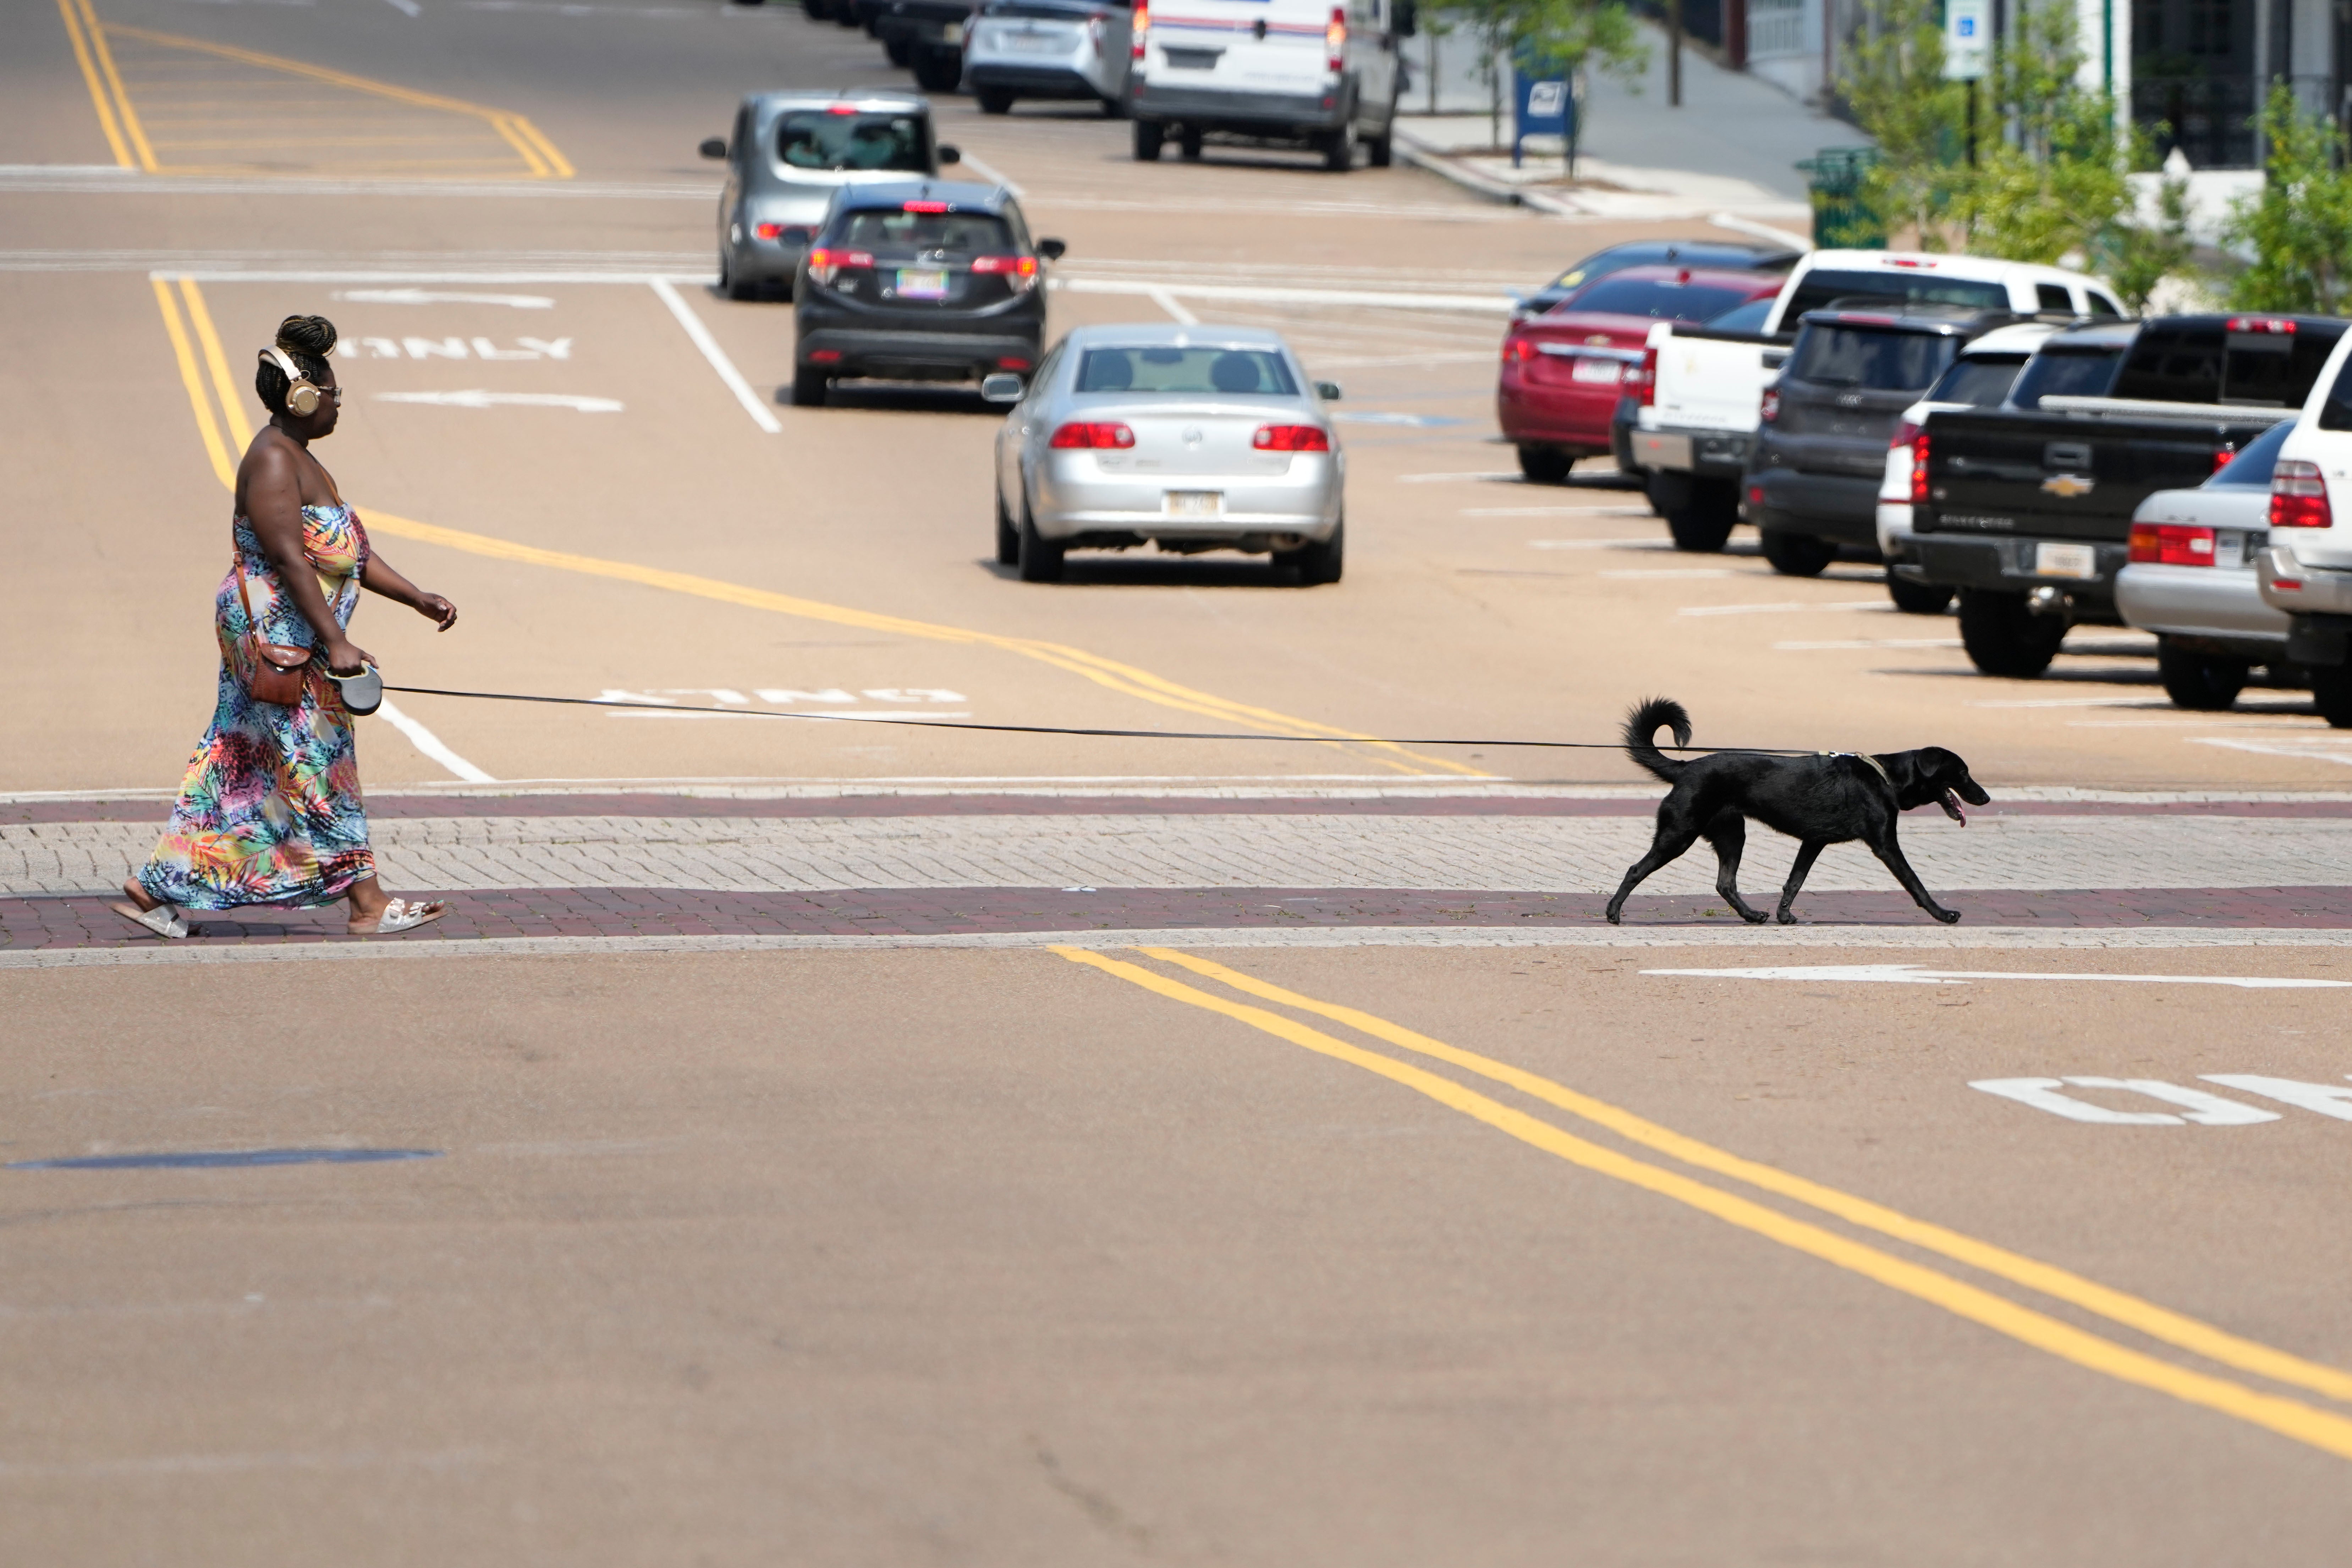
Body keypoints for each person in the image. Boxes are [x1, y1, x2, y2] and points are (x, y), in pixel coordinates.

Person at [111, 315, 461, 939]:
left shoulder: (300, 457)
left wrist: (416, 598)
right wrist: (335, 642)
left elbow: (344, 552)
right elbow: (290, 560)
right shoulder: (274, 461)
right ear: (302, 398)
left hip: (293, 639)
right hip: (281, 644)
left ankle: (155, 888)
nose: (338, 404)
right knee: (318, 758)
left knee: (244, 757)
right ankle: (368, 903)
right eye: (332, 394)